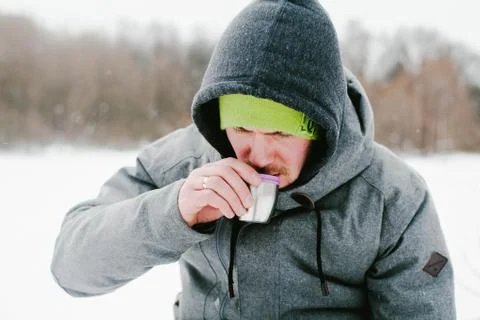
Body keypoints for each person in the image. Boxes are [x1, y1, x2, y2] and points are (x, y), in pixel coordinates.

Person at [51, 0, 455, 319]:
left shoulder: (393, 198)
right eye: (242, 129)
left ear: (320, 126)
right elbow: (72, 267)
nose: (258, 155)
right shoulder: (186, 162)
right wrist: (175, 211)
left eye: (280, 132)